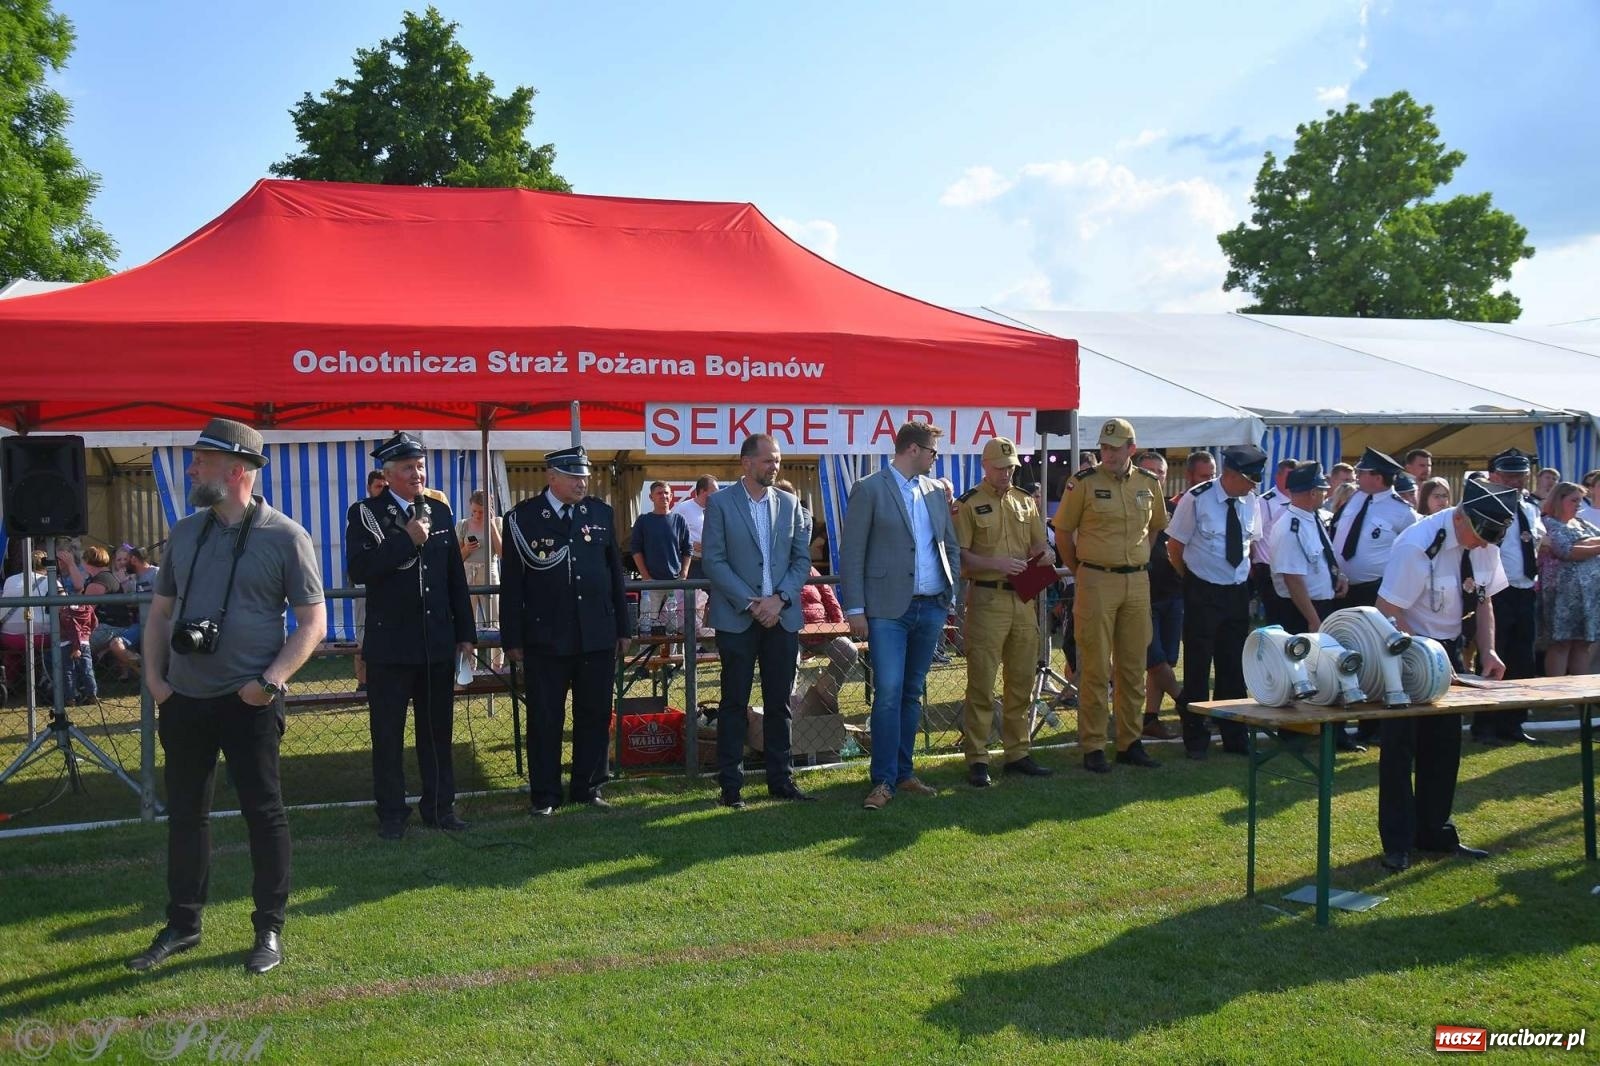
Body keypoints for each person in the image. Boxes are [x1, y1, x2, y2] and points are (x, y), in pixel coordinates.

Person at [129, 417, 325, 975]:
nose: (191, 468)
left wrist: (269, 683)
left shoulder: (285, 536)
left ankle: (268, 930)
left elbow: (313, 621)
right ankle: (183, 924)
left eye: (201, 460)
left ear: (236, 469)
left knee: (264, 814)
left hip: (251, 702)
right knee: (186, 816)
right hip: (184, 700)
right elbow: (162, 611)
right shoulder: (186, 532)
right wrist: (157, 682)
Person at [1372, 479, 1512, 873]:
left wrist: (1488, 649)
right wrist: (1427, 656)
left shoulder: (1483, 541)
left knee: (1445, 746)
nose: (1484, 546)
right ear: (1462, 517)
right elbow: (1387, 611)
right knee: (1401, 750)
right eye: (1480, 536)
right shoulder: (1418, 545)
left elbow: (1483, 599)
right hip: (1403, 649)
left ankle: (1435, 833)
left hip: (1448, 649)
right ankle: (1397, 843)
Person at [346, 432, 476, 839]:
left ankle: (440, 808)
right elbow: (361, 570)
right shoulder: (366, 513)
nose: (417, 473)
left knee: (437, 733)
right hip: (390, 646)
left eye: (420, 466)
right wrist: (407, 540)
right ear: (388, 474)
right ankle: (391, 815)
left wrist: (466, 634)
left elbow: (455, 578)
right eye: (407, 467)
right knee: (387, 736)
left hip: (435, 641)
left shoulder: (437, 511)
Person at [500, 445, 631, 816]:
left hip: (596, 633)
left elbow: (614, 578)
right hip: (546, 635)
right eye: (574, 475)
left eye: (585, 475)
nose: (582, 482)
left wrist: (624, 626)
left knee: (593, 713)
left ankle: (588, 787)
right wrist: (512, 637)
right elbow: (512, 585)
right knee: (545, 717)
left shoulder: (600, 514)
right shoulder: (523, 519)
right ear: (552, 477)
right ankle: (545, 794)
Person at [838, 421, 960, 809]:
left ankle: (904, 774)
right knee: (888, 693)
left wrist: (948, 593)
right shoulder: (869, 488)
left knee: (911, 692)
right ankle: (884, 779)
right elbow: (852, 551)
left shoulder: (935, 492)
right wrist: (855, 608)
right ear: (912, 449)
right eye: (932, 452)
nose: (935, 458)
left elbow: (949, 546)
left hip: (930, 606)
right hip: (887, 610)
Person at [702, 434, 813, 807]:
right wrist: (753, 605)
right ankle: (730, 787)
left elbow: (801, 560)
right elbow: (714, 561)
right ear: (746, 464)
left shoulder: (791, 503)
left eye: (778, 459)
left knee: (779, 703)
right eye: (768, 460)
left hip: (781, 618)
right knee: (734, 703)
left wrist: (779, 600)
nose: (775, 466)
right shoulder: (720, 504)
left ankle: (781, 781)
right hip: (738, 619)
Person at [1053, 419, 1166, 772]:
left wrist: (1133, 562)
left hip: (1136, 583)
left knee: (1133, 667)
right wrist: (1083, 569)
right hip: (1096, 581)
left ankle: (1130, 742)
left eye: (1115, 448)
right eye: (1104, 447)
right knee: (1096, 667)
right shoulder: (1082, 483)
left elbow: (1155, 529)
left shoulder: (1148, 483)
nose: (1108, 454)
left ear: (1132, 448)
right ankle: (1093, 745)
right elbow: (1062, 533)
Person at [956, 436, 1054, 783]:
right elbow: (961, 555)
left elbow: (1038, 542)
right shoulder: (967, 504)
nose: (1006, 474)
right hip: (987, 598)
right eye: (999, 468)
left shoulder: (1026, 502)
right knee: (981, 681)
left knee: (1022, 680)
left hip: (1023, 600)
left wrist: (1047, 553)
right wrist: (994, 563)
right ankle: (978, 758)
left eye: (1010, 468)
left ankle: (1018, 752)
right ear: (985, 467)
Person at [1166, 444, 1265, 759]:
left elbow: (1252, 544)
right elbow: (1175, 547)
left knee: (1233, 667)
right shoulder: (1197, 498)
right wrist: (1191, 581)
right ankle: (1196, 738)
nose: (1252, 487)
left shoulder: (1251, 502)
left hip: (1236, 591)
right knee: (1197, 667)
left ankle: (1233, 734)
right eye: (1248, 480)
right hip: (1202, 589)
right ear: (1231, 474)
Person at [1473, 448, 1543, 745]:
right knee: (1492, 656)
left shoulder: (1529, 506)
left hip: (1525, 588)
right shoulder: (1485, 504)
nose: (1517, 481)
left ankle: (1513, 722)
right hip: (1496, 590)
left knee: (1522, 659)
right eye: (1510, 475)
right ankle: (1485, 724)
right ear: (1495, 476)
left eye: (1521, 475)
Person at [1329, 448, 1416, 610]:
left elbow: (1410, 555)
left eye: (1362, 472)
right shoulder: (1355, 498)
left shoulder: (1403, 512)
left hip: (1374, 591)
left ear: (1377, 478)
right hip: (1339, 586)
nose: (1357, 476)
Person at [1268, 461, 1349, 633]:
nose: (1326, 495)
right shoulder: (1290, 529)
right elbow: (1293, 580)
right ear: (1313, 493)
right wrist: (1313, 620)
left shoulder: (1312, 518)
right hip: (1302, 612)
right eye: (1322, 490)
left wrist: (1338, 576)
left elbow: (1323, 558)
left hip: (1320, 606)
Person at [1138, 450, 1181, 741]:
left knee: (1164, 660)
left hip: (1173, 595)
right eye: (1149, 471)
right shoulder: (1128, 506)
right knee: (1154, 660)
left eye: (1160, 472)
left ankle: (1151, 718)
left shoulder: (1174, 511)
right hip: (1141, 596)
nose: (1155, 476)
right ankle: (1188, 704)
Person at [1537, 481, 1600, 676]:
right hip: (1561, 596)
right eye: (1574, 500)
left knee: (1583, 644)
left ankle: (1580, 698)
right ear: (1559, 500)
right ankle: (1556, 697)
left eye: (1580, 501)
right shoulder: (1548, 522)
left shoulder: (1580, 522)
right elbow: (1566, 551)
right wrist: (1592, 547)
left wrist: (1582, 544)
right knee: (1561, 643)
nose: (1578, 505)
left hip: (1587, 597)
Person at [632, 481, 693, 632]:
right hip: (651, 585)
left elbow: (687, 549)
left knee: (675, 629)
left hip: (675, 585)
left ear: (671, 496)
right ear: (651, 497)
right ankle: (646, 654)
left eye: (666, 493)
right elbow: (635, 550)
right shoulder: (643, 521)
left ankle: (675, 656)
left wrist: (684, 573)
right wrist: (646, 577)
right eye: (659, 493)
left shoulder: (679, 520)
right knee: (647, 628)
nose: (663, 496)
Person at [352, 469, 388, 690]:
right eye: (378, 487)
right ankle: (362, 681)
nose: (382, 491)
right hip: (365, 583)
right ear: (369, 488)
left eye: (386, 487)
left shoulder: (394, 513)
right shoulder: (360, 512)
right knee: (363, 633)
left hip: (387, 585)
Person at [1, 551, 57, 689]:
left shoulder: (10, 580)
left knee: (13, 652)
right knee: (59, 636)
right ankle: (47, 677)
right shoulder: (51, 581)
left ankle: (9, 681)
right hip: (42, 637)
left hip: (9, 636)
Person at [456, 488, 503, 635]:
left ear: (489, 509)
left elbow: (502, 554)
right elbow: (455, 559)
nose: (477, 515)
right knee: (467, 620)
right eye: (474, 511)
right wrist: (466, 549)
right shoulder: (463, 524)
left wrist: (492, 526)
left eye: (481, 512)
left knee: (494, 620)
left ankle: (497, 657)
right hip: (467, 572)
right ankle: (470, 657)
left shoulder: (498, 522)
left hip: (489, 570)